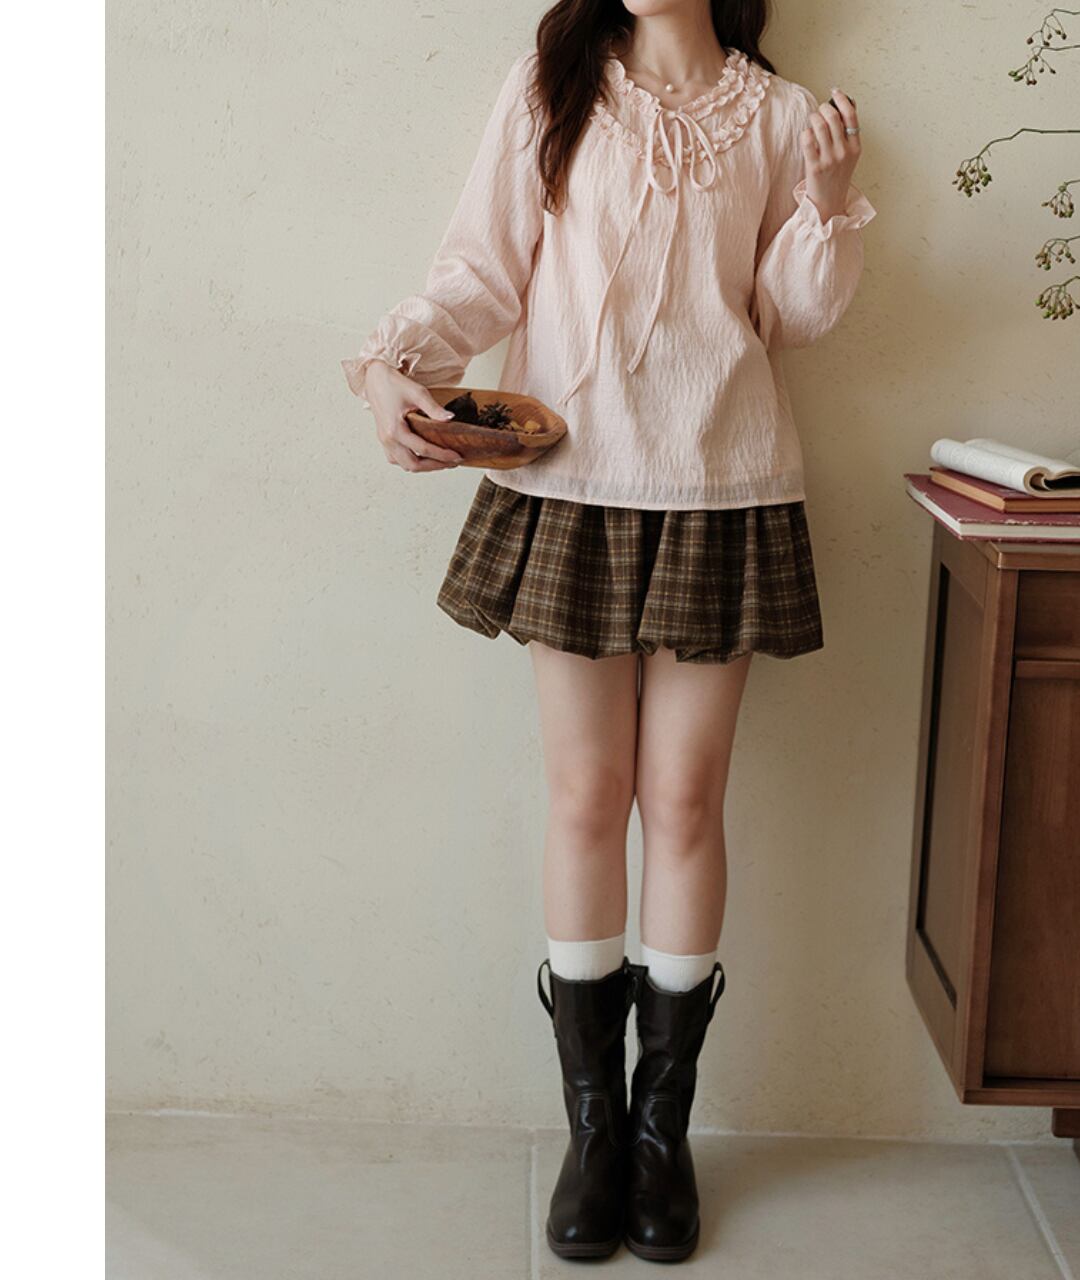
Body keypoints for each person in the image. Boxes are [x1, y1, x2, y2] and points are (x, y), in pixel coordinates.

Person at [341, 0, 872, 1263]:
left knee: (683, 800)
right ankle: (593, 1129)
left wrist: (825, 203)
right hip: (570, 482)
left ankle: (658, 1132)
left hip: (721, 485)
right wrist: (390, 364)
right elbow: (481, 270)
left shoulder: (781, 114)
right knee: (587, 795)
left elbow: (788, 316)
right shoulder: (555, 84)